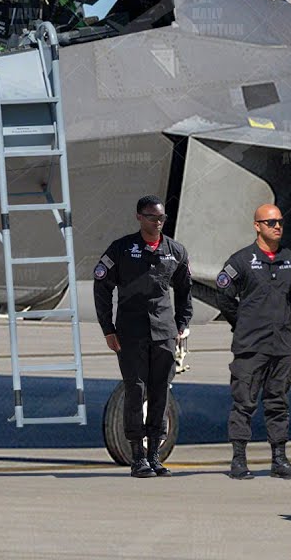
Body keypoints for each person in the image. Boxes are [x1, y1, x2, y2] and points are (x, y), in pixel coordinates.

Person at [93, 195, 193, 478]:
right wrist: (108, 328)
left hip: (164, 333)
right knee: (135, 391)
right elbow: (101, 286)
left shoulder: (175, 251)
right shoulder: (122, 249)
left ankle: (154, 455)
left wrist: (182, 325)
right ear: (139, 217)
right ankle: (137, 456)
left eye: (161, 218)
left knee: (160, 392)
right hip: (131, 333)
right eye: (152, 217)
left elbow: (185, 290)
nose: (158, 222)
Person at [215, 204, 291, 480]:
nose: (277, 226)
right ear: (257, 226)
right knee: (244, 401)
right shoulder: (241, 261)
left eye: (280, 221)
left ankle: (279, 459)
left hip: (280, 345)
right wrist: (242, 322)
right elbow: (224, 296)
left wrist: (279, 320)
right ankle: (239, 460)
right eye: (270, 222)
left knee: (278, 402)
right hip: (250, 346)